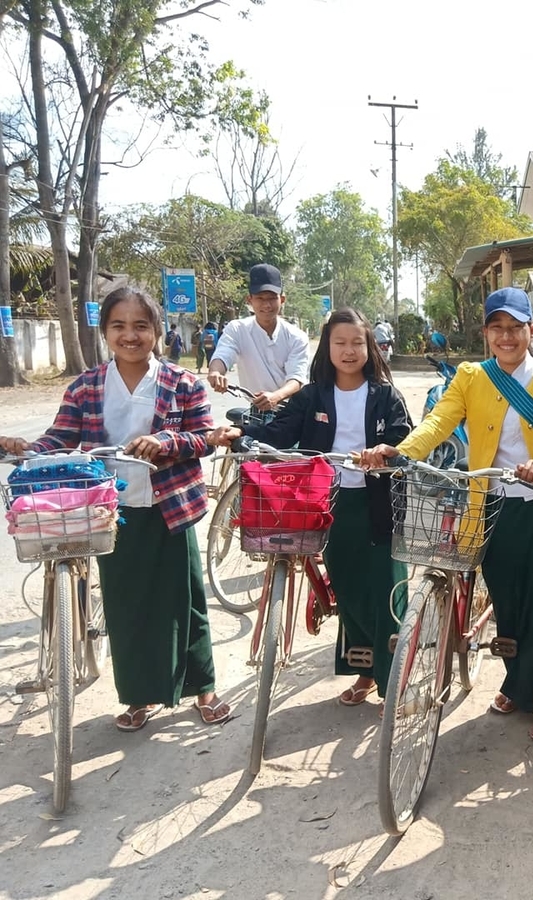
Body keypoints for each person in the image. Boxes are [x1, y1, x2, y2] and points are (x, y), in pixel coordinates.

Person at [360, 287, 533, 743]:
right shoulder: (469, 377)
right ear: (486, 333)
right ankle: (518, 685)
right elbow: (437, 423)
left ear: (531, 330)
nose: (507, 337)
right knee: (509, 603)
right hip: (495, 506)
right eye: (497, 328)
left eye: (515, 327)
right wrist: (400, 452)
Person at [0, 287, 229, 732]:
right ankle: (138, 696)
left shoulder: (182, 383)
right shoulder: (86, 386)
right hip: (109, 511)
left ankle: (203, 688)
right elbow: (60, 438)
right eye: (119, 326)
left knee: (186, 600)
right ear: (105, 332)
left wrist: (165, 442)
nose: (130, 335)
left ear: (157, 332)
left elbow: (203, 437)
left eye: (141, 325)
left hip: (170, 506)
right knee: (126, 606)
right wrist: (28, 448)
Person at [208, 308, 412, 707]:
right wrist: (242, 433)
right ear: (328, 347)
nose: (349, 351)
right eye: (340, 343)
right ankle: (365, 672)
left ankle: (395, 681)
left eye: (357, 342)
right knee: (347, 589)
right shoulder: (313, 395)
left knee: (386, 590)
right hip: (328, 503)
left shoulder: (386, 395)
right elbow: (279, 431)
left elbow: (407, 436)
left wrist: (388, 451)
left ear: (369, 347)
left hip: (379, 503)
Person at [207, 263, 310, 412]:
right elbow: (223, 354)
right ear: (249, 300)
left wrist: (275, 397)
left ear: (282, 299)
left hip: (292, 411)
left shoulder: (297, 337)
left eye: (272, 298)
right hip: (256, 411)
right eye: (260, 298)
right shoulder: (237, 329)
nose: (267, 305)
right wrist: (215, 373)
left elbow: (297, 378)